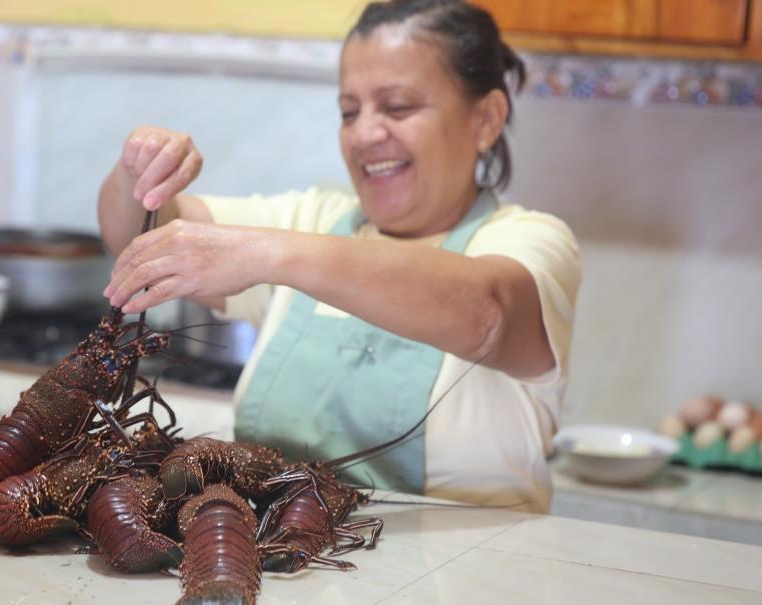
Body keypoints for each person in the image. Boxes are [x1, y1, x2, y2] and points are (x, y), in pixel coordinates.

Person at [97, 0, 581, 513]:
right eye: (350, 112)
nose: (366, 134)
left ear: (485, 120)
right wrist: (139, 171)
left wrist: (270, 253)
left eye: (397, 107)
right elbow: (136, 233)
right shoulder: (314, 219)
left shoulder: (531, 239)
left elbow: (488, 314)